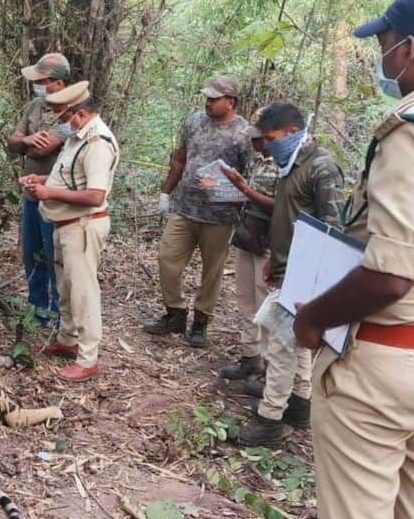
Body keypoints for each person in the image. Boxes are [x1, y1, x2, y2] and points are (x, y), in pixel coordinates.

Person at [293, 0, 414, 519]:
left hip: (384, 366)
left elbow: (393, 272)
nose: (383, 55)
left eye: (387, 41)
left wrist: (313, 317)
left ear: (410, 49)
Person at [237, 102, 344, 447]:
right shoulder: (288, 165)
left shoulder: (322, 168)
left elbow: (333, 228)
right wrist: (275, 258)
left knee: (282, 347)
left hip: (307, 273)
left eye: (271, 137)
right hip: (286, 264)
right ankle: (300, 403)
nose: (266, 144)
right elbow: (286, 216)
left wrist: (316, 281)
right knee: (292, 344)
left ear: (294, 132)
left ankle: (270, 419)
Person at [20, 81, 120, 382]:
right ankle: (67, 340)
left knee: (84, 293)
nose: (61, 123)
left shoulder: (97, 143)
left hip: (83, 226)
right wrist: (41, 179)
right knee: (66, 288)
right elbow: (69, 177)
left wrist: (49, 193)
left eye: (63, 117)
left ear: (79, 113)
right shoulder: (77, 138)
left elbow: (95, 196)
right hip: (64, 225)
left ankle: (88, 358)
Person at [144, 76, 252, 348]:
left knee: (212, 272)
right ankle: (175, 313)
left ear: (231, 102)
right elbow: (180, 158)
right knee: (166, 259)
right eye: (207, 97)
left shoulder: (244, 134)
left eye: (214, 99)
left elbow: (250, 182)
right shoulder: (194, 122)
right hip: (185, 209)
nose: (208, 102)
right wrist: (166, 193)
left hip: (219, 217)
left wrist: (223, 186)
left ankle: (201, 323)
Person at [7, 53, 70, 326]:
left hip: (58, 198)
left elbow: (46, 147)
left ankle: (59, 312)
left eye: (42, 81)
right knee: (33, 255)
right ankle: (37, 308)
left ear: (57, 82)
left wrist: (29, 143)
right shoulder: (34, 106)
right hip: (31, 195)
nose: (37, 85)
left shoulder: (72, 110)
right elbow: (13, 141)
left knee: (55, 256)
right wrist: (28, 139)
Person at [215, 115, 278, 382]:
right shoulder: (254, 160)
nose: (255, 143)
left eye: (259, 138)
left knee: (266, 303)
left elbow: (282, 206)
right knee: (245, 299)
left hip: (270, 242)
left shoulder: (286, 165)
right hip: (247, 234)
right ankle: (250, 357)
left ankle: (268, 366)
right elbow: (247, 200)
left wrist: (244, 190)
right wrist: (227, 191)